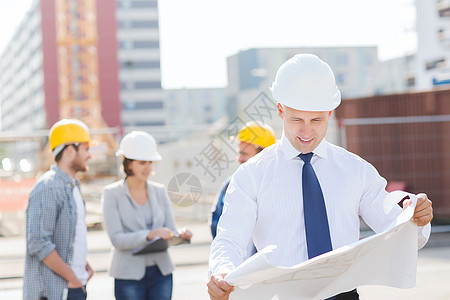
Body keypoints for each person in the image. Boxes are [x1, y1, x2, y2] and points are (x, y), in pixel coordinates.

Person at [207, 54, 433, 300]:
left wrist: (415, 218)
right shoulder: (251, 175)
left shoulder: (355, 170)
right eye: (296, 120)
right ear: (281, 111)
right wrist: (222, 272)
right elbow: (229, 239)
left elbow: (395, 225)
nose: (306, 132)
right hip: (281, 295)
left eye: (316, 120)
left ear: (329, 113)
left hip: (343, 294)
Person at [102, 131, 192, 300]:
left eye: (150, 162)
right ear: (128, 163)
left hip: (161, 273)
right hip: (128, 275)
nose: (148, 167)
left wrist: (179, 234)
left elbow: (169, 229)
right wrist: (150, 235)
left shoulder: (159, 191)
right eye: (142, 162)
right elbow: (116, 239)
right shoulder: (111, 194)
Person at [24, 119, 94, 300]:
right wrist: (72, 278)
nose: (90, 155)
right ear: (70, 150)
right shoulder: (48, 187)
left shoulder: (73, 186)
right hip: (54, 291)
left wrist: (82, 263)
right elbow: (38, 242)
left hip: (74, 284)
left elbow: (67, 237)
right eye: (86, 149)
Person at [210, 121, 276, 238]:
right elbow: (216, 222)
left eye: (244, 153)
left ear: (261, 155)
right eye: (239, 153)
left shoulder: (280, 184)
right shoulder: (230, 185)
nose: (239, 159)